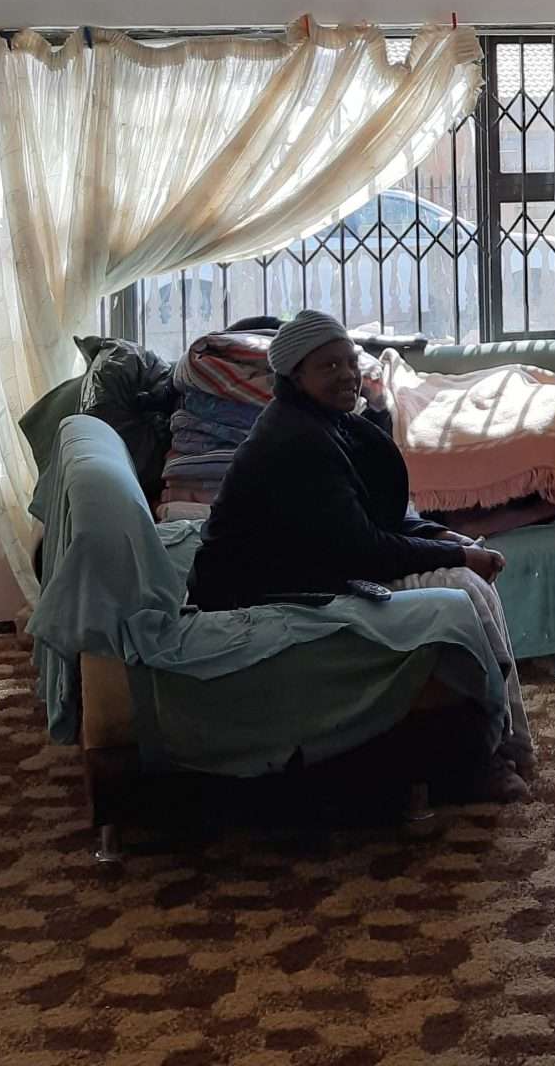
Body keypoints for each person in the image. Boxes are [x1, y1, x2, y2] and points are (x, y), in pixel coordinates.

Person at [187, 310, 533, 774]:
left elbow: (369, 516)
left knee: (468, 580)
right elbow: (363, 550)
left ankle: (505, 742)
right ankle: (486, 754)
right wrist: (458, 554)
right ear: (295, 375)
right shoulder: (296, 440)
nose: (348, 375)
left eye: (350, 361)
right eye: (329, 366)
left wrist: (439, 535)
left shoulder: (325, 422)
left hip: (315, 569)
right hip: (258, 596)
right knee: (464, 588)